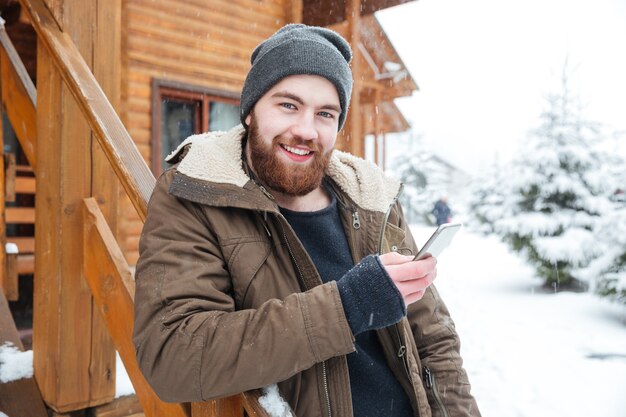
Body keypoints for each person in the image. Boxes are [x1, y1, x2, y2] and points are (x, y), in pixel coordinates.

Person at [133, 24, 480, 417]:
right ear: (249, 111)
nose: (305, 130)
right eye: (288, 105)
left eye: (325, 114)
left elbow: (434, 341)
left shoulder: (373, 199)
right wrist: (348, 306)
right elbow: (174, 354)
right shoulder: (197, 193)